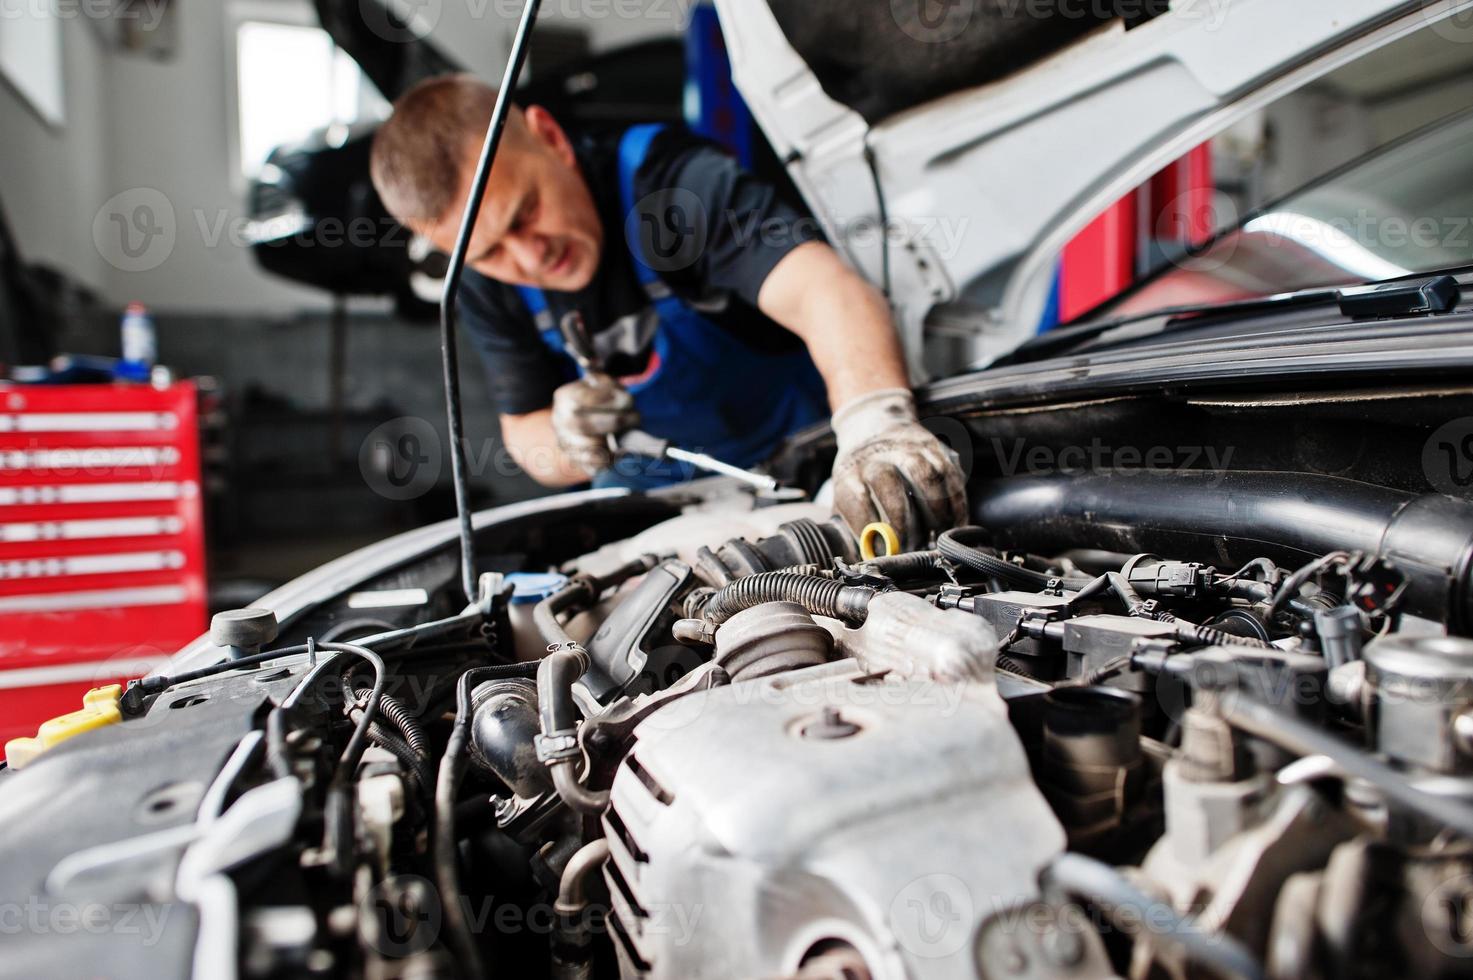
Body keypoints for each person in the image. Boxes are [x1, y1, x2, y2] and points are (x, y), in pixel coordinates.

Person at [369, 73, 965, 548]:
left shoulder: (669, 185)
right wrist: (567, 436)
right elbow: (523, 432)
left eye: (524, 211)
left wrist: (872, 427)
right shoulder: (480, 280)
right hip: (655, 499)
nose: (528, 254)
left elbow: (825, 291)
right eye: (491, 251)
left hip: (801, 464)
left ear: (550, 138)